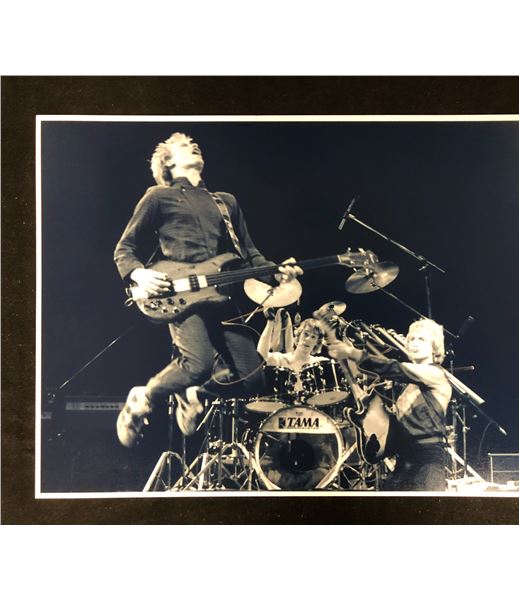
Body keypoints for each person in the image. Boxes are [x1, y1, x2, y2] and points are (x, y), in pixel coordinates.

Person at [114, 132, 302, 447]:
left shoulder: (225, 201)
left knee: (254, 379)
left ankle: (195, 394)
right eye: (184, 145)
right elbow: (124, 248)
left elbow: (249, 255)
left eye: (194, 143)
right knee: (197, 364)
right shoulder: (158, 196)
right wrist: (139, 274)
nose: (194, 144)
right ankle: (146, 394)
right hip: (181, 295)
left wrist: (276, 272)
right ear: (168, 162)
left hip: (221, 296)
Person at [327, 317, 452, 491]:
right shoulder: (406, 385)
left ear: (434, 347)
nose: (414, 343)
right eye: (411, 339)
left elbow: (394, 368)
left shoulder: (434, 373)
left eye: (421, 339)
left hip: (428, 458)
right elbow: (366, 373)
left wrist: (352, 352)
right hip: (405, 459)